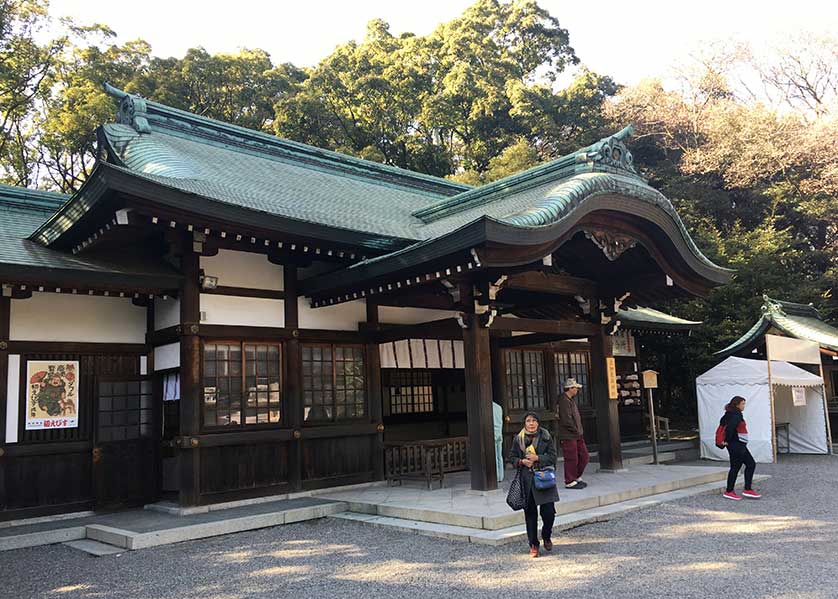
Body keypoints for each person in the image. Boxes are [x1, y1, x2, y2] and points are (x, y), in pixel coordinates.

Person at [508, 412, 559, 557]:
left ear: (538, 423)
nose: (531, 423)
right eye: (528, 421)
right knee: (530, 514)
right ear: (524, 423)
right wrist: (521, 462)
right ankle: (533, 544)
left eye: (534, 421)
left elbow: (553, 457)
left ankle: (546, 535)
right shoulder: (519, 438)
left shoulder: (546, 436)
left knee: (548, 512)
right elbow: (511, 457)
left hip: (544, 477)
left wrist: (538, 458)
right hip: (527, 479)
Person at [719, 396, 761, 500]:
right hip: (736, 445)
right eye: (742, 404)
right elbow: (730, 429)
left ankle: (743, 489)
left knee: (743, 465)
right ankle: (732, 490)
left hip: (738, 445)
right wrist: (727, 441)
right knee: (743, 465)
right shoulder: (735, 415)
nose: (744, 406)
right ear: (737, 405)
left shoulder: (730, 414)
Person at [554, 378, 589, 489]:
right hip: (568, 434)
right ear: (570, 388)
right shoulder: (563, 400)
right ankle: (569, 480)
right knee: (571, 458)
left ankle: (576, 476)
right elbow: (566, 419)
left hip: (576, 434)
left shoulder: (570, 399)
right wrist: (576, 430)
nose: (577, 390)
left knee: (584, 456)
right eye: (575, 388)